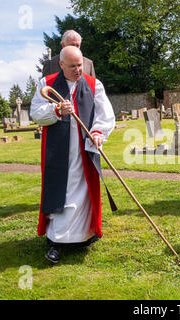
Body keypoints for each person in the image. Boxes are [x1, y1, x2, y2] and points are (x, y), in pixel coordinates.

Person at [30, 46, 115, 263]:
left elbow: (105, 114)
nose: (78, 70)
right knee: (62, 190)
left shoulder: (94, 84)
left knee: (83, 189)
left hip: (84, 148)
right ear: (61, 65)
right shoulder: (47, 83)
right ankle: (56, 242)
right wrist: (56, 110)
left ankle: (84, 236)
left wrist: (97, 132)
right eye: (72, 66)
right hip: (58, 151)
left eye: (80, 65)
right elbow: (36, 113)